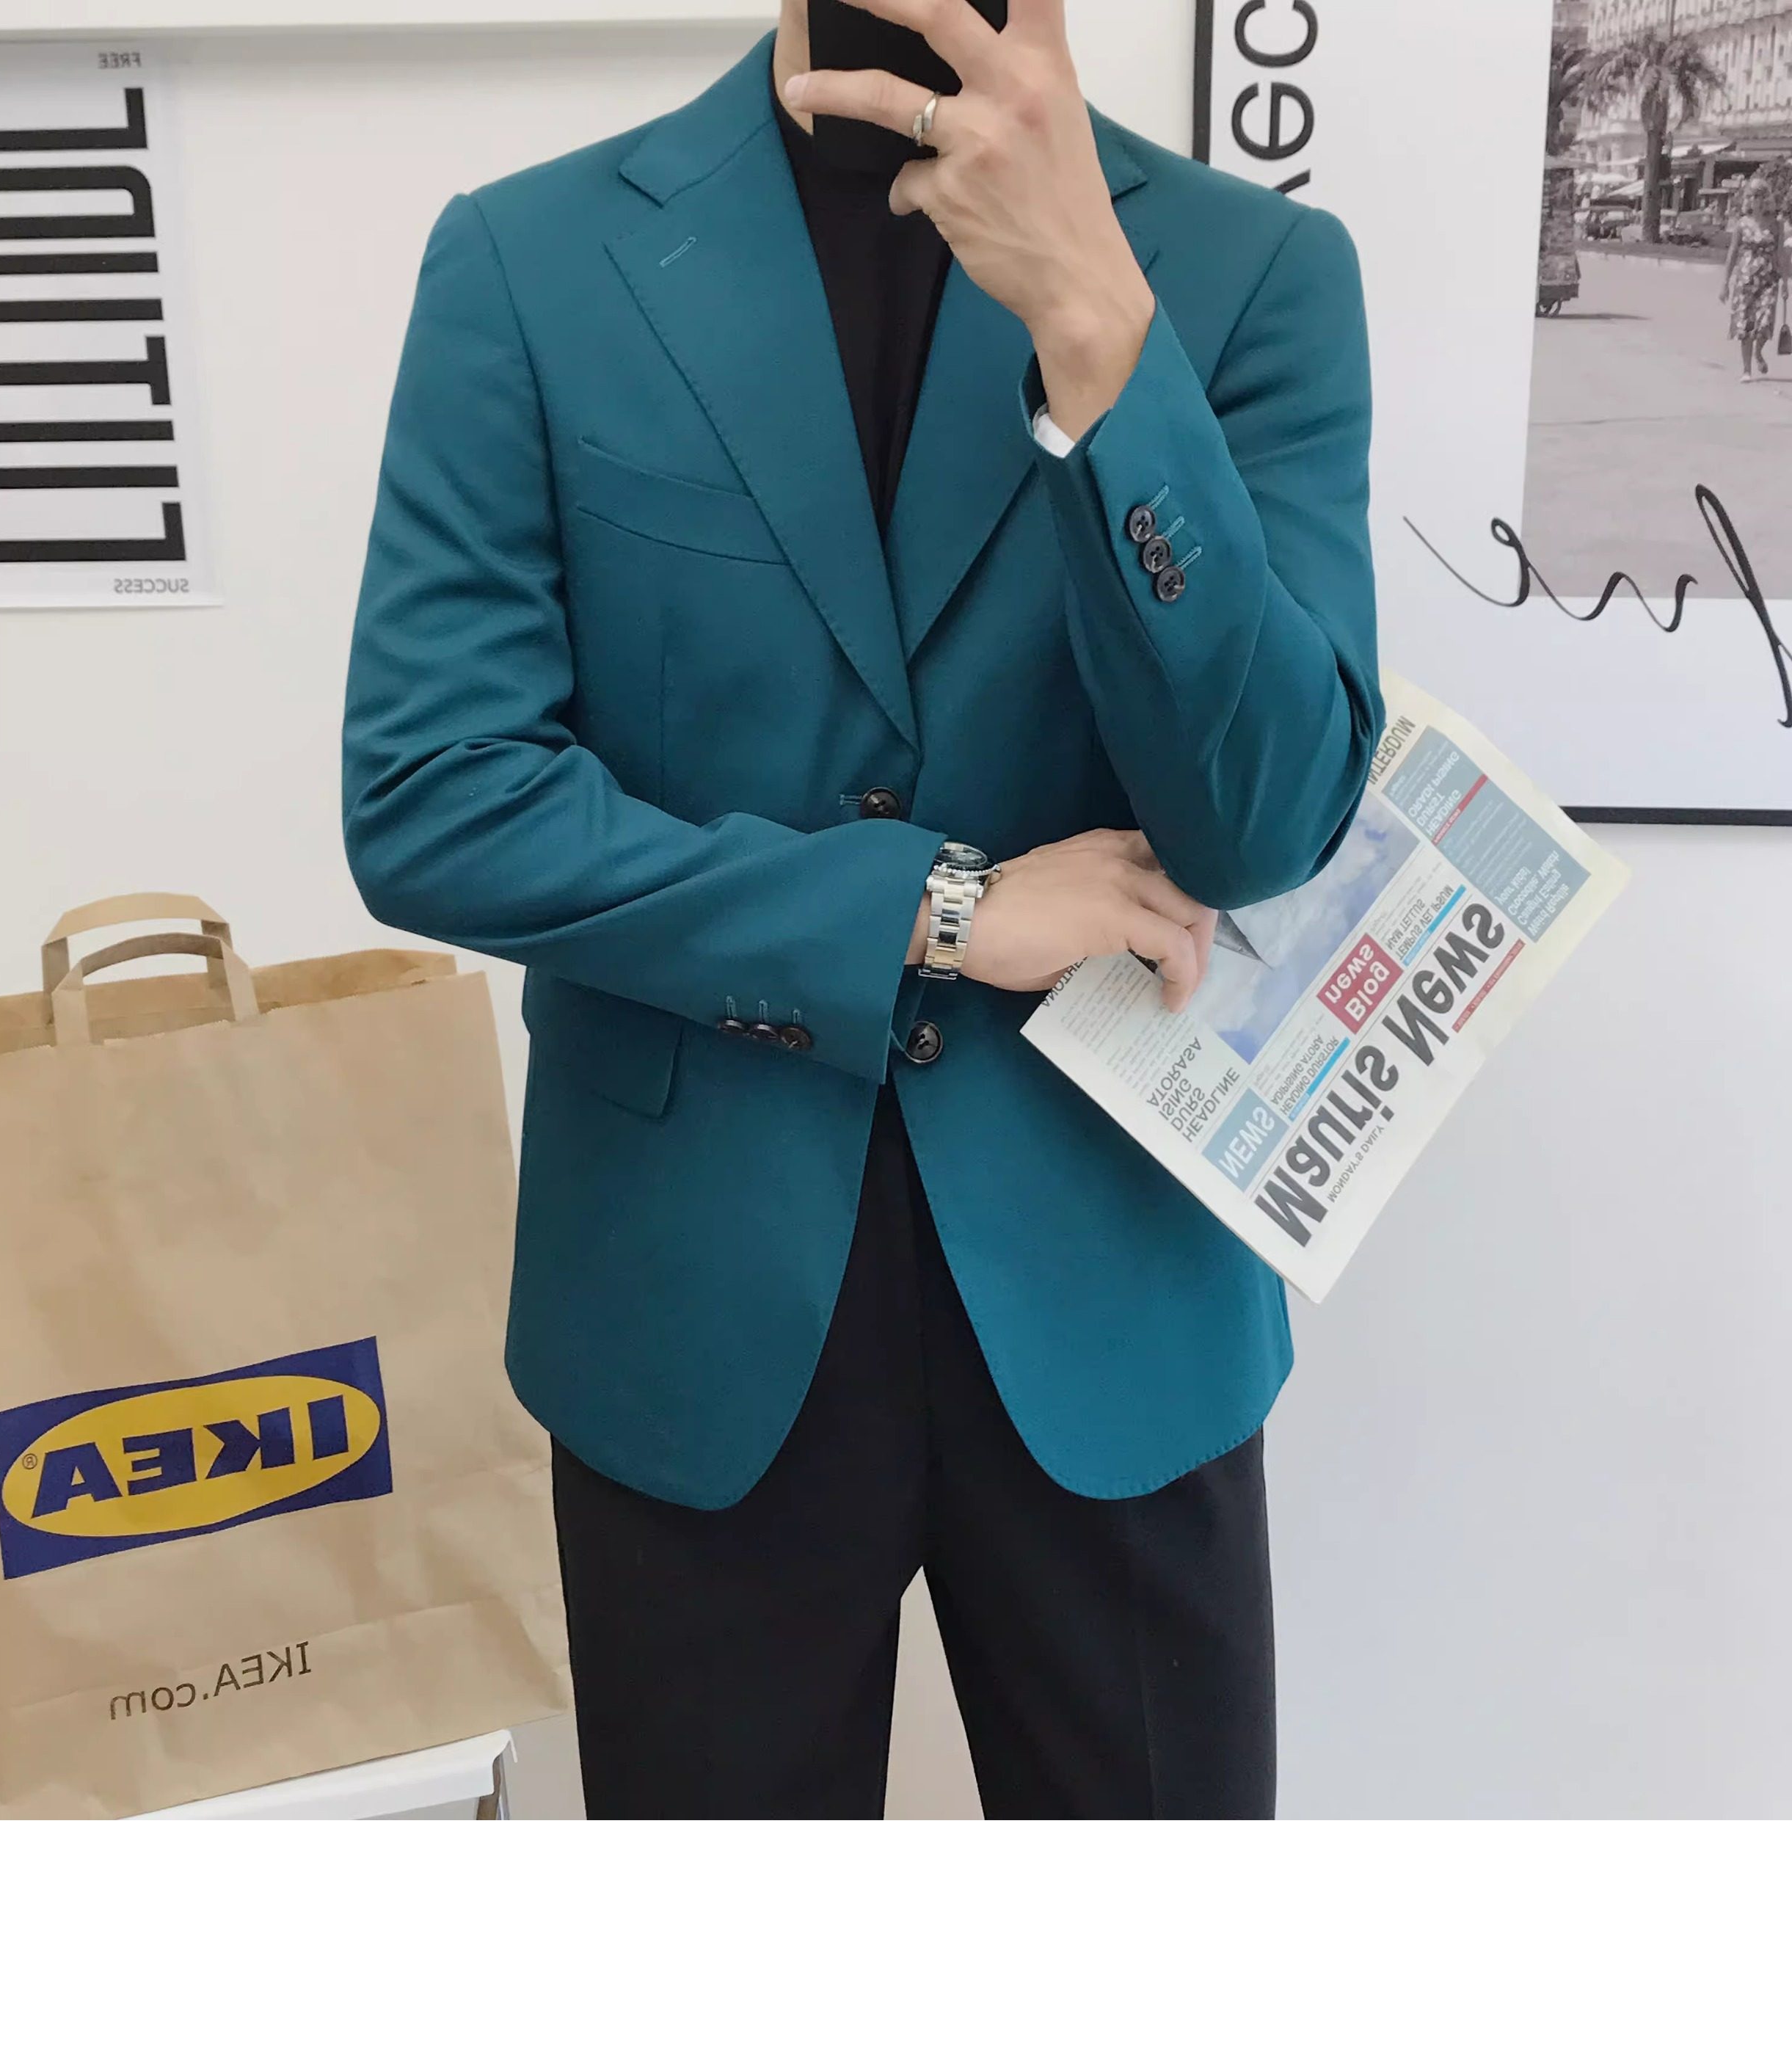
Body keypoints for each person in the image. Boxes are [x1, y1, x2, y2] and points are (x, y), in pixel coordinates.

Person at [343, 0, 1380, 1819]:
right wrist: (932, 908)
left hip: (1114, 1292)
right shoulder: (531, 261)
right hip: (694, 1297)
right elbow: (437, 795)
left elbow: (1266, 818)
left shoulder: (1250, 274)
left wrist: (1099, 336)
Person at [1719, 176, 1784, 382]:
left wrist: (1785, 282)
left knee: (1765, 323)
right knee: (1745, 325)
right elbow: (1732, 253)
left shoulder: (1776, 225)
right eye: (1751, 195)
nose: (1755, 199)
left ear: (1766, 198)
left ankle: (1759, 352)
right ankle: (1747, 370)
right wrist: (1725, 284)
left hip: (1769, 280)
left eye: (1759, 195)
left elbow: (1780, 255)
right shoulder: (1742, 224)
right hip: (1745, 281)